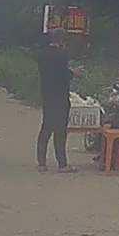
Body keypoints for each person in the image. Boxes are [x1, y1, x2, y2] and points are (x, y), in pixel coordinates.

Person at [35, 28, 83, 173]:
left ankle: (41, 163)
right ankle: (62, 164)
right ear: (62, 40)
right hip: (60, 96)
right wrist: (74, 73)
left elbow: (49, 72)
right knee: (60, 130)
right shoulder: (62, 55)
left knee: (46, 127)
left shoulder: (42, 54)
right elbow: (63, 75)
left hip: (47, 94)